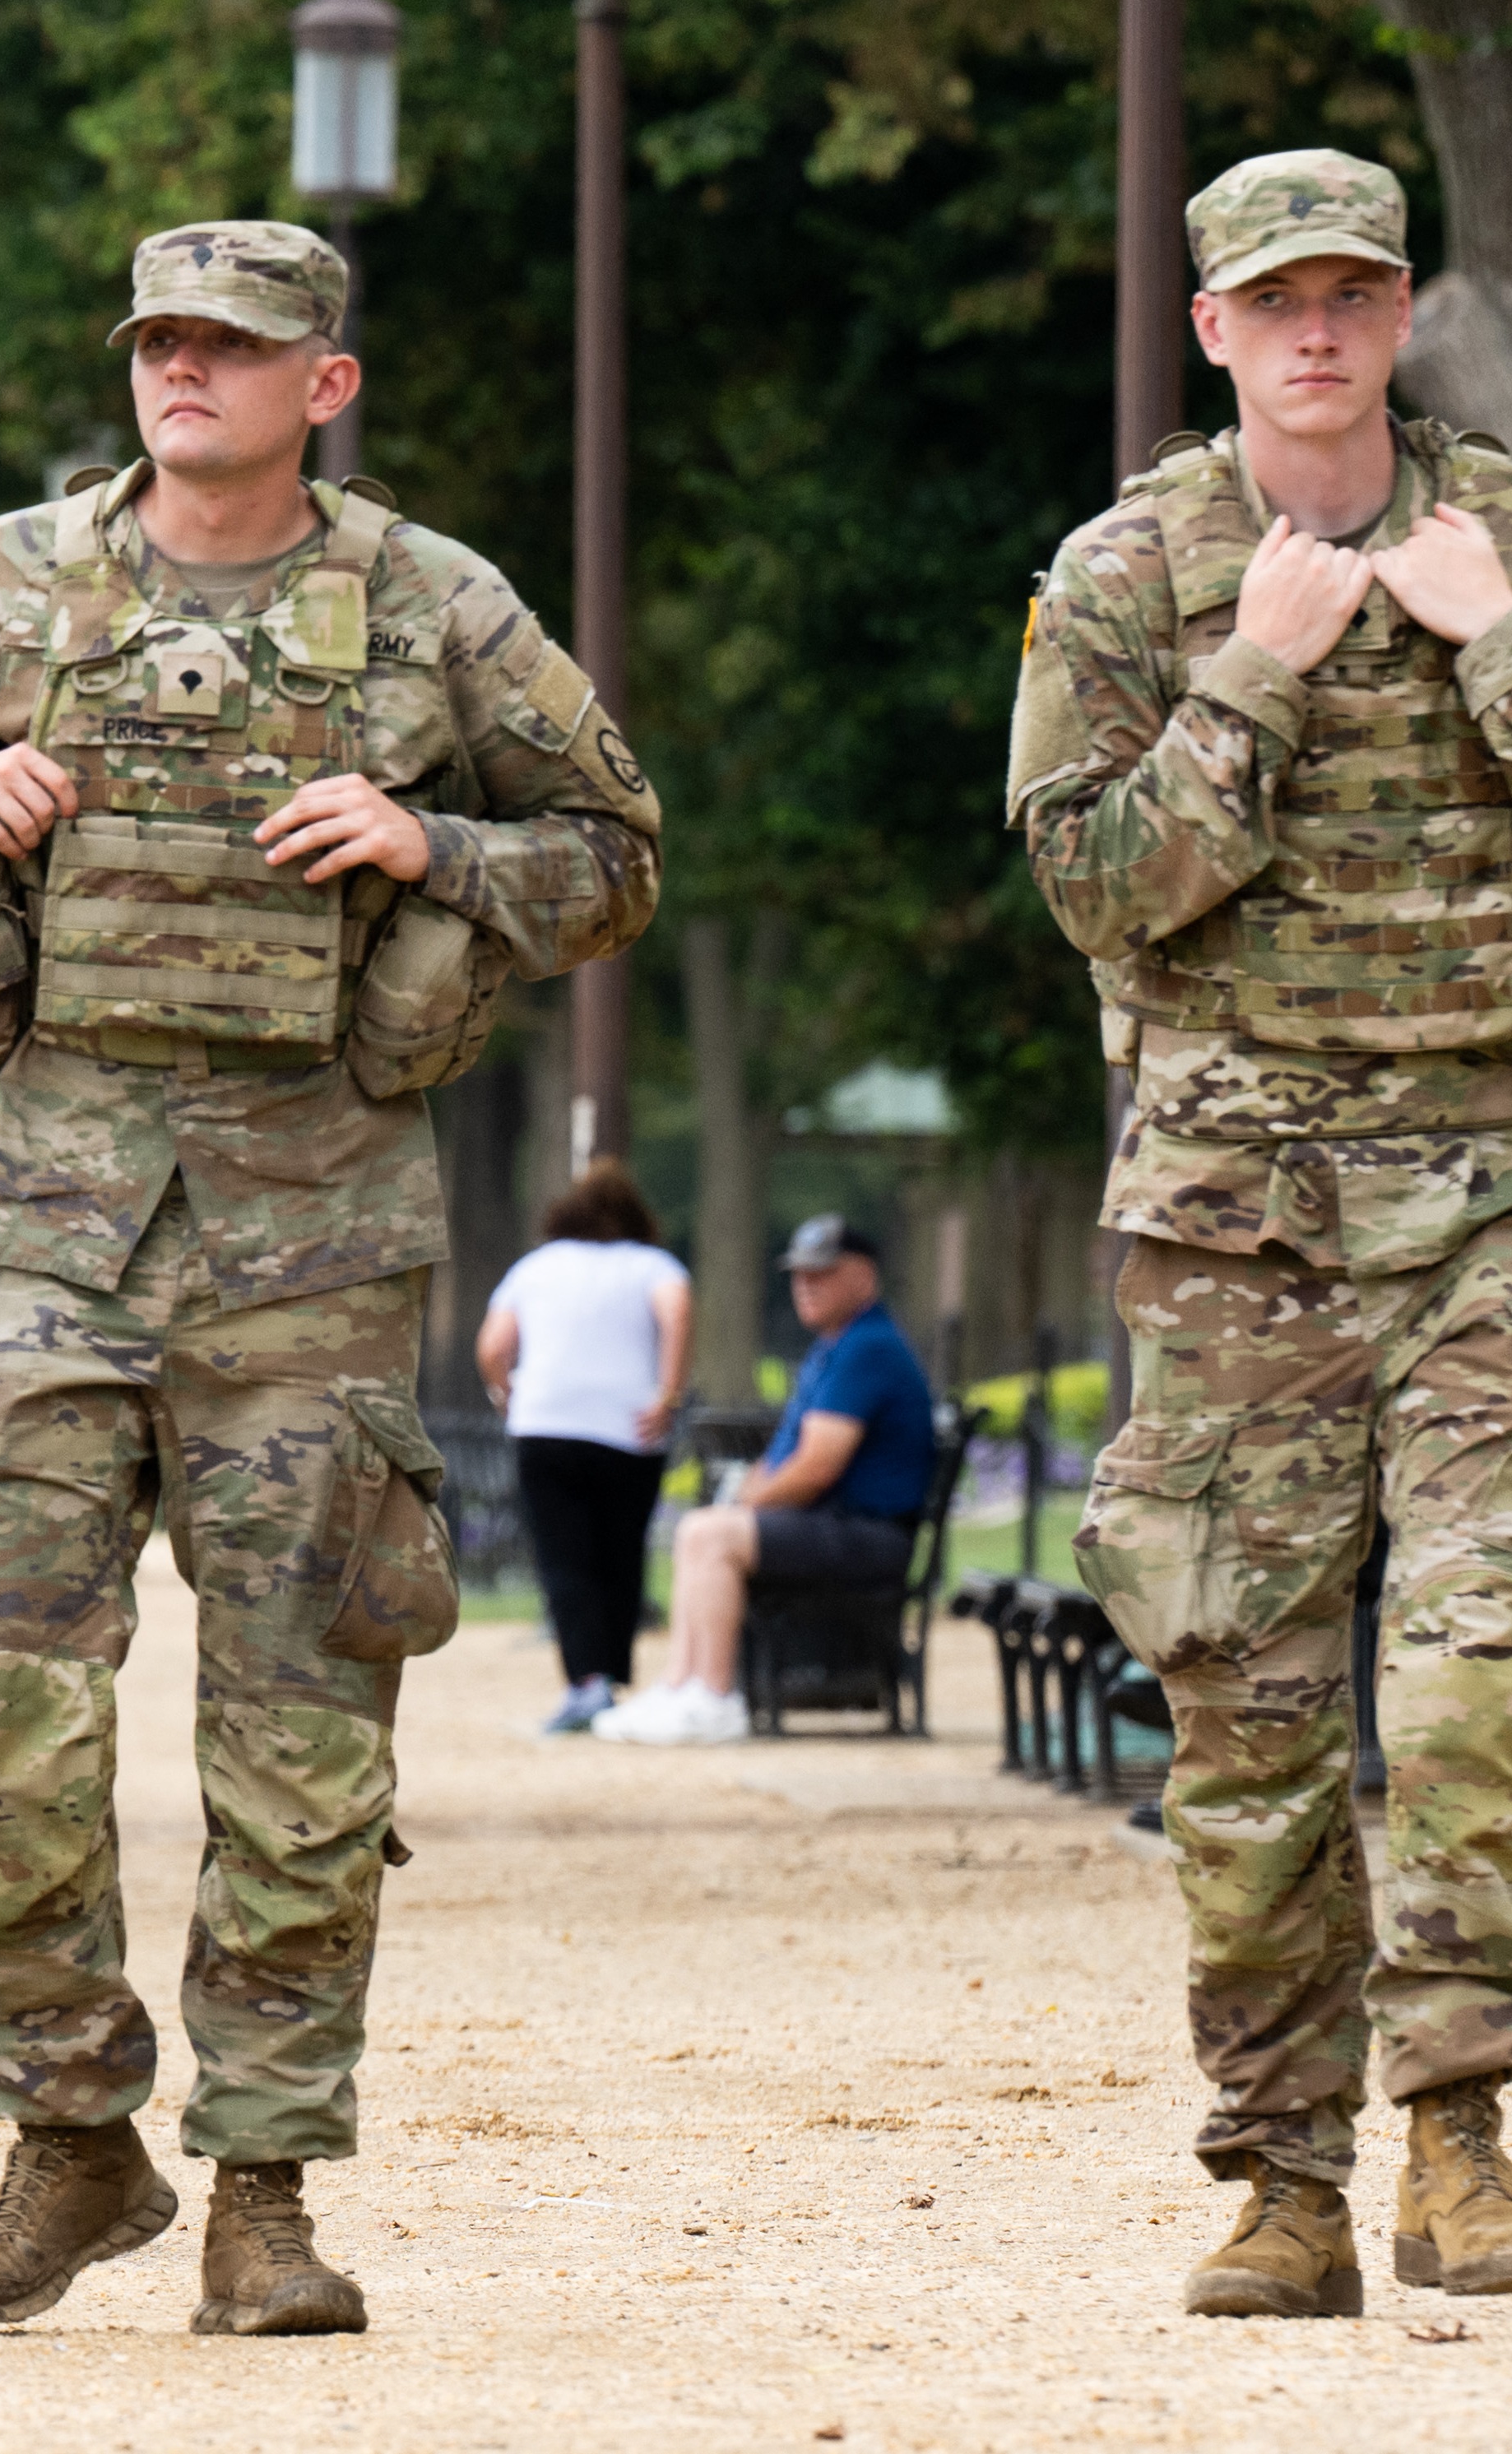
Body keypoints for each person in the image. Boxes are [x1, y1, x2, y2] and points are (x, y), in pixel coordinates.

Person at [0, 217, 657, 2339]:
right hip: (36, 1222)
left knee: (301, 1756)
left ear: (328, 379)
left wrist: (437, 852)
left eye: (235, 344)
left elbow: (617, 852)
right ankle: (66, 2136)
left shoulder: (430, 604)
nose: (185, 371)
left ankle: (265, 2194)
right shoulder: (8, 580)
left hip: (313, 1248)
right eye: (161, 340)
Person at [1007, 147, 1512, 2316]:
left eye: (1350, 292)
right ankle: (1278, 2174)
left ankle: (1458, 2127)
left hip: (1487, 1186)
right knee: (1244, 1716)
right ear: (1204, 329)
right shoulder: (1123, 571)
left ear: (1395, 314)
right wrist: (1253, 680)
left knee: (1481, 1671)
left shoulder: (1499, 535)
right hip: (1233, 1233)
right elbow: (1092, 889)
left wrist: (1490, 648)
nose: (1313, 330)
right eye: (1268, 299)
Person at [592, 1219, 934, 1747]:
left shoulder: (868, 1348)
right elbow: (790, 1458)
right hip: (841, 1526)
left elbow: (817, 1466)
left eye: (822, 1274)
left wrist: (746, 1500)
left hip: (870, 1535)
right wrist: (746, 1494)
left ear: (864, 1277)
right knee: (700, 1529)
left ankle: (714, 1696)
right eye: (799, 1275)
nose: (805, 1285)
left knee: (710, 1533)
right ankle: (683, 1685)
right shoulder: (838, 1345)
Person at [476, 1159, 693, 1731]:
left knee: (563, 1557)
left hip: (546, 1424)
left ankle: (586, 1681)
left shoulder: (535, 1267)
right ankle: (613, 1674)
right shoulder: (653, 1264)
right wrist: (667, 1392)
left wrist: (506, 1391)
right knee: (620, 1554)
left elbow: (493, 1345)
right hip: (628, 1429)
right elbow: (675, 1312)